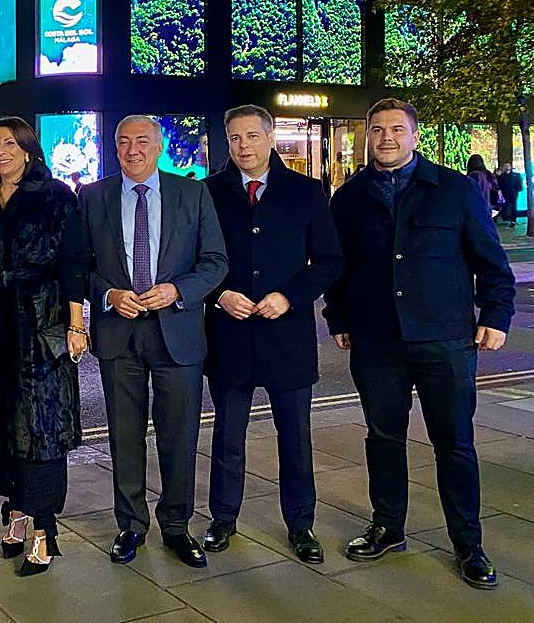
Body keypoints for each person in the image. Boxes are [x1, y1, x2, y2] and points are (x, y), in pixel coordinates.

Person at [324, 98, 515, 590]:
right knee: (383, 439)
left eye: (395, 130)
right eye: (377, 130)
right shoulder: (348, 198)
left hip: (445, 340)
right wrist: (338, 316)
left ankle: (468, 544)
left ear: (414, 136)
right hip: (376, 340)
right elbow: (337, 268)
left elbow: (492, 262)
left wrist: (496, 314)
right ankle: (388, 527)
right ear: (367, 137)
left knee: (454, 443)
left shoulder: (454, 189)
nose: (385, 138)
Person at [71, 115, 227, 568]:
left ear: (158, 147)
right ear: (114, 147)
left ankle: (177, 526)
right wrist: (108, 295)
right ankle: (131, 524)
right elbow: (81, 265)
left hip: (176, 332)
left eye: (142, 141)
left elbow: (215, 261)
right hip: (119, 333)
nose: (132, 150)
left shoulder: (192, 193)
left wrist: (178, 290)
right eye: (123, 142)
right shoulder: (94, 196)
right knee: (124, 435)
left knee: (179, 435)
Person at [201, 105, 344, 563]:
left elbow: (328, 261)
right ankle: (223, 519)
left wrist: (290, 296)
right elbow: (194, 259)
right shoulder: (208, 193)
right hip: (230, 334)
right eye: (235, 138)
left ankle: (301, 525)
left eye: (252, 137)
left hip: (287, 337)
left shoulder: (306, 192)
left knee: (295, 437)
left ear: (269, 137)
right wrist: (219, 294)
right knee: (227, 437)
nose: (243, 147)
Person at [0, 117, 86, 576]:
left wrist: (76, 326)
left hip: (41, 321)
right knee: (0, 421)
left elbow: (73, 263)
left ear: (29, 149)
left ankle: (44, 528)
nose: (1, 153)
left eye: (11, 144)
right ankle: (14, 507)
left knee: (42, 427)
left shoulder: (55, 196)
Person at [497, 162, 523, 227]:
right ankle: (506, 217)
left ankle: (513, 220)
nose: (507, 167)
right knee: (505, 206)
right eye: (505, 166)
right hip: (505, 193)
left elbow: (519, 183)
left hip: (513, 193)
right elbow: (499, 184)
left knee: (513, 206)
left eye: (508, 166)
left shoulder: (516, 175)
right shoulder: (502, 176)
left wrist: (517, 189)